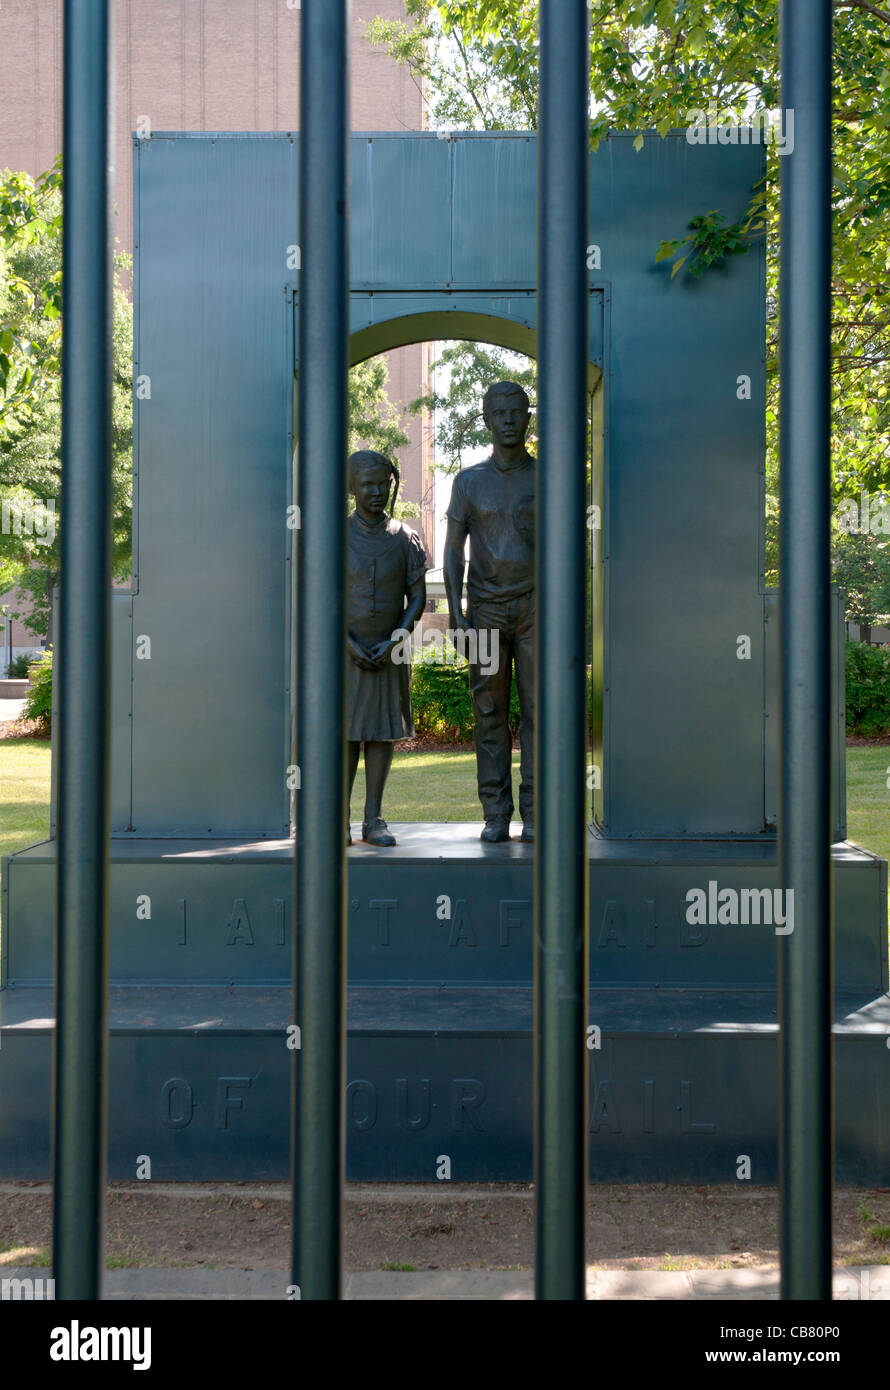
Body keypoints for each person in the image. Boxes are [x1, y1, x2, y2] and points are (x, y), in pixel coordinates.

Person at [443, 381, 535, 843]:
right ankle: (496, 813)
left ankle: (536, 813)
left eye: (516, 411)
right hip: (485, 612)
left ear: (527, 417)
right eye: (498, 412)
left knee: (541, 712)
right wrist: (458, 615)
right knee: (488, 713)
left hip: (537, 609)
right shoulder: (468, 481)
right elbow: (453, 550)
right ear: (485, 420)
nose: (507, 419)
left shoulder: (547, 477)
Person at [346, 449, 428, 846]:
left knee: (380, 734)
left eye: (383, 484)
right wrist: (346, 643)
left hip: (390, 650)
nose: (377, 492)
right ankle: (335, 818)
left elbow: (416, 596)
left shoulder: (406, 537)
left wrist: (397, 637)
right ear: (352, 488)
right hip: (345, 655)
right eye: (367, 485)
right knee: (345, 734)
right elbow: (319, 598)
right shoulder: (333, 535)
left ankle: (373, 818)